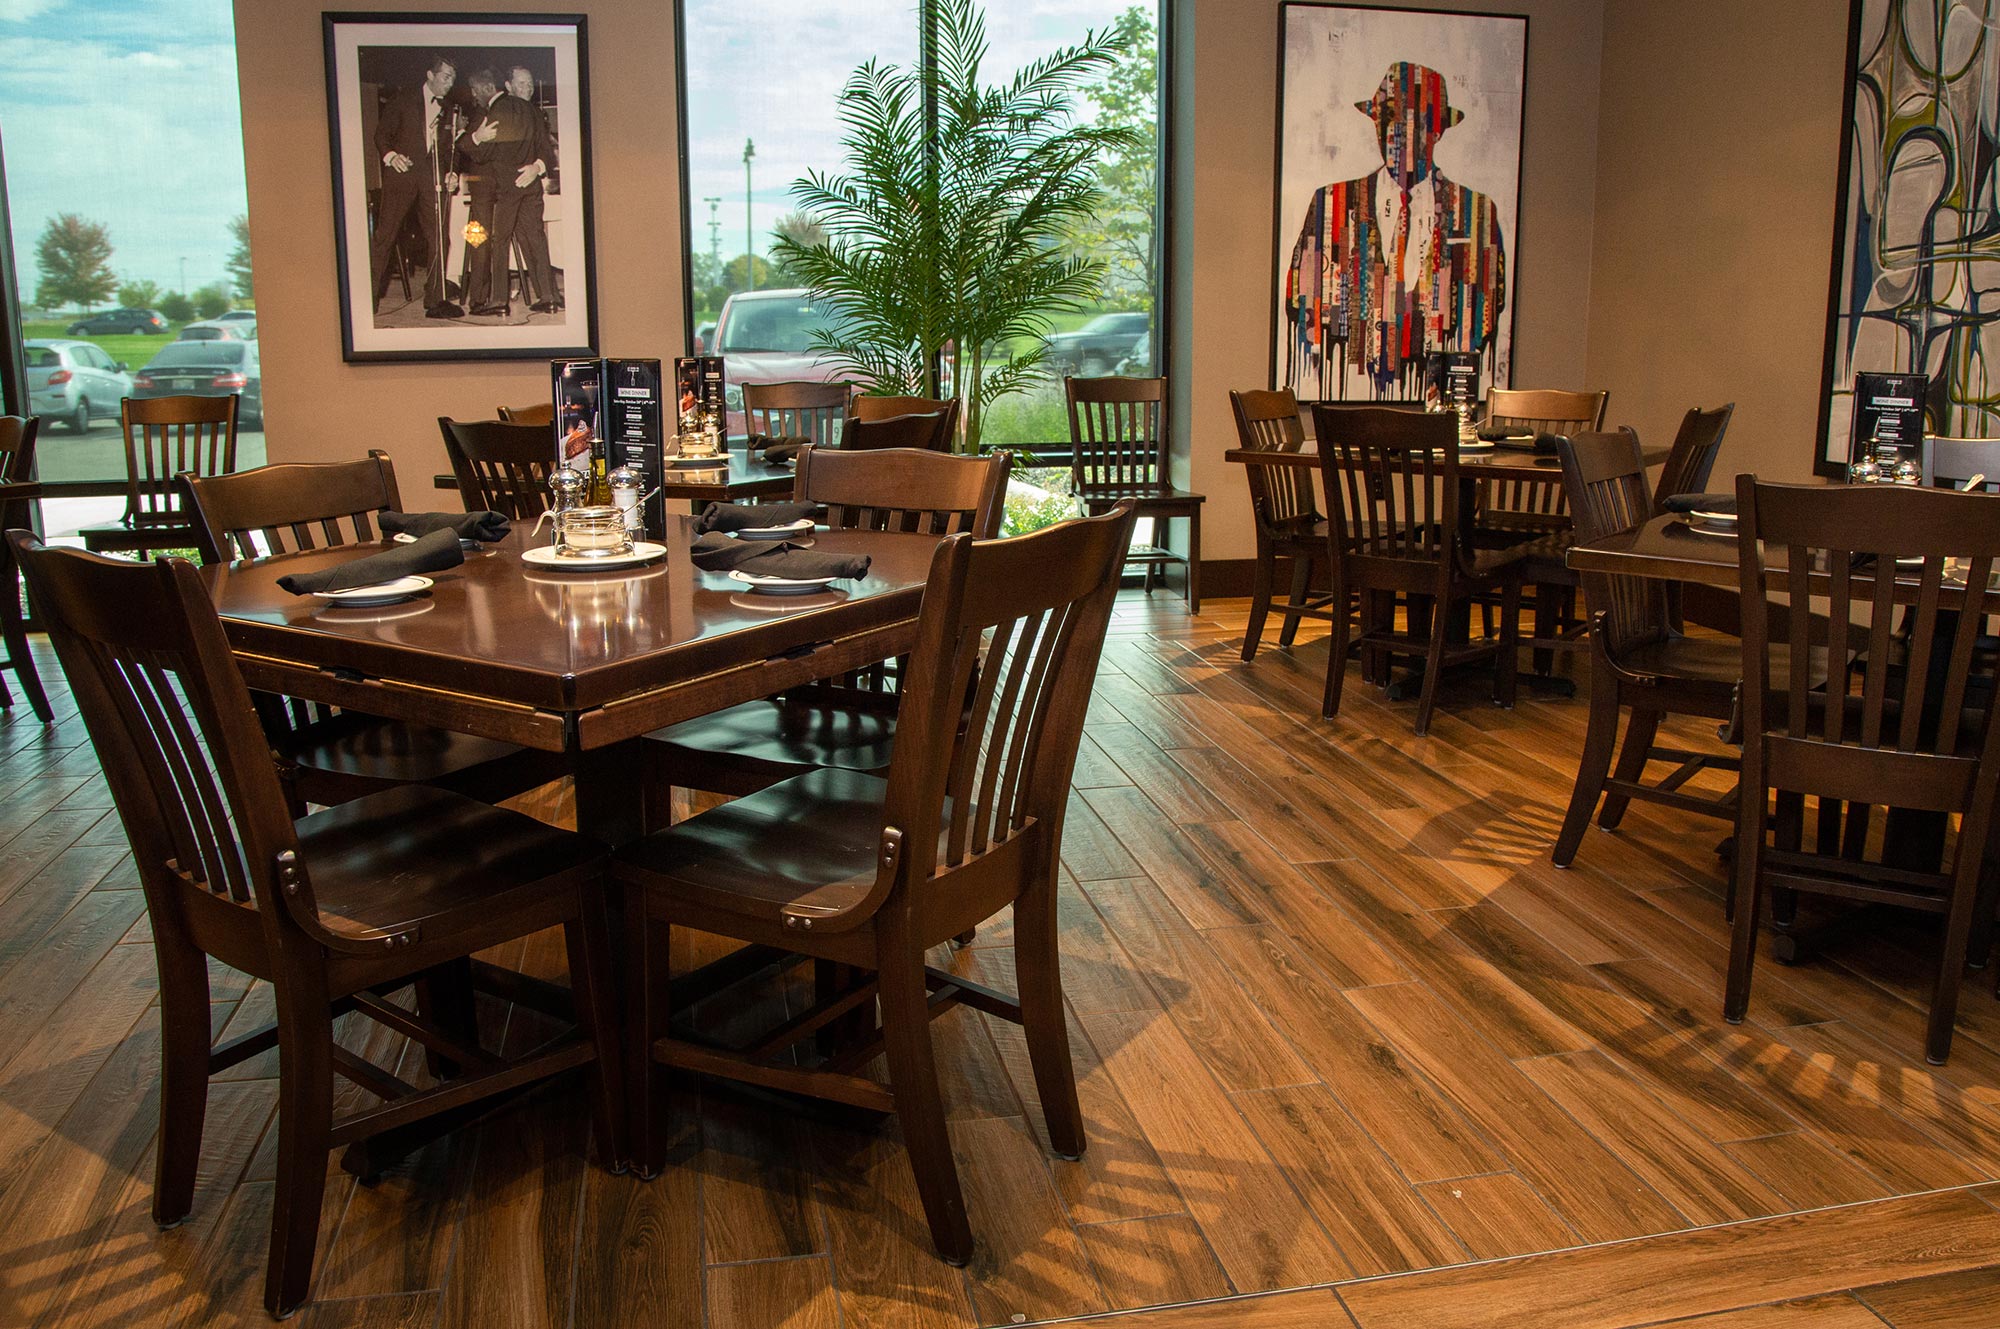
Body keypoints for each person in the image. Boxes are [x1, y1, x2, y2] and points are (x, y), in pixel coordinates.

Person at [1283, 61, 1506, 399]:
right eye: (1385, 119)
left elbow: (1488, 319)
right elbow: (1299, 305)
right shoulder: (1331, 202)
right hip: (1348, 401)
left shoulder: (1476, 213)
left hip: (1437, 413)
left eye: (1409, 122)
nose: (1393, 133)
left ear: (1437, 131)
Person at [369, 54, 464, 319]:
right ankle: (368, 297)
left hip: (431, 178)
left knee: (439, 238)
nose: (450, 83)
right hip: (402, 176)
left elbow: (451, 151)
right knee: (385, 237)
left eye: (453, 79)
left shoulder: (450, 109)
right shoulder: (403, 100)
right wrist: (391, 156)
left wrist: (452, 172)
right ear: (430, 75)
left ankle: (435, 300)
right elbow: (381, 135)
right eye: (446, 77)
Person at [464, 65, 559, 316]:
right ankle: (548, 297)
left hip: (508, 187)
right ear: (507, 86)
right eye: (521, 84)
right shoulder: (533, 112)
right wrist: (534, 167)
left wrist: (476, 141)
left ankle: (498, 301)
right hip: (529, 188)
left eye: (530, 84)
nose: (527, 89)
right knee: (537, 237)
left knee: (498, 240)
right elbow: (544, 147)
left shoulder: (499, 110)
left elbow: (486, 151)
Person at [453, 70, 507, 316]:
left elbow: (469, 149)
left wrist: (464, 136)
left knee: (478, 242)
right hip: (499, 188)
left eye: (475, 91)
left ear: (484, 89)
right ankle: (488, 297)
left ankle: (478, 300)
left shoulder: (483, 113)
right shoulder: (508, 109)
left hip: (482, 190)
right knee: (485, 241)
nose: (473, 96)